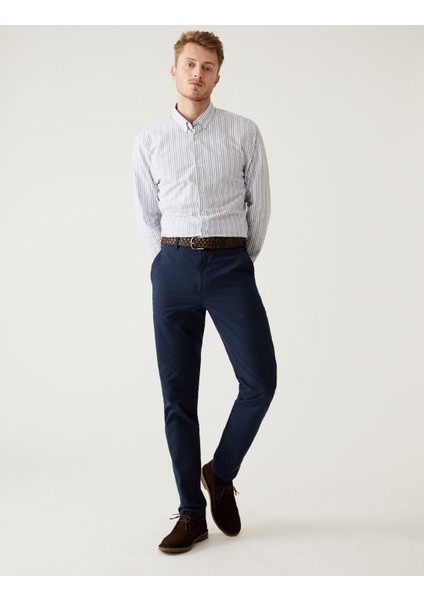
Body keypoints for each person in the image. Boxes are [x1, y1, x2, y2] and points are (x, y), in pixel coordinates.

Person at [133, 30, 277, 554]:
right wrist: (168, 263)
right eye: (190, 64)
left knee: (260, 381)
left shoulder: (243, 132)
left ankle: (221, 471)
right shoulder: (149, 140)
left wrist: (236, 258)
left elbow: (259, 206)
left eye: (208, 67)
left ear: (218, 75)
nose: (198, 73)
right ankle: (191, 513)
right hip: (172, 267)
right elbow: (147, 214)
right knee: (178, 396)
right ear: (174, 71)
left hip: (229, 264)